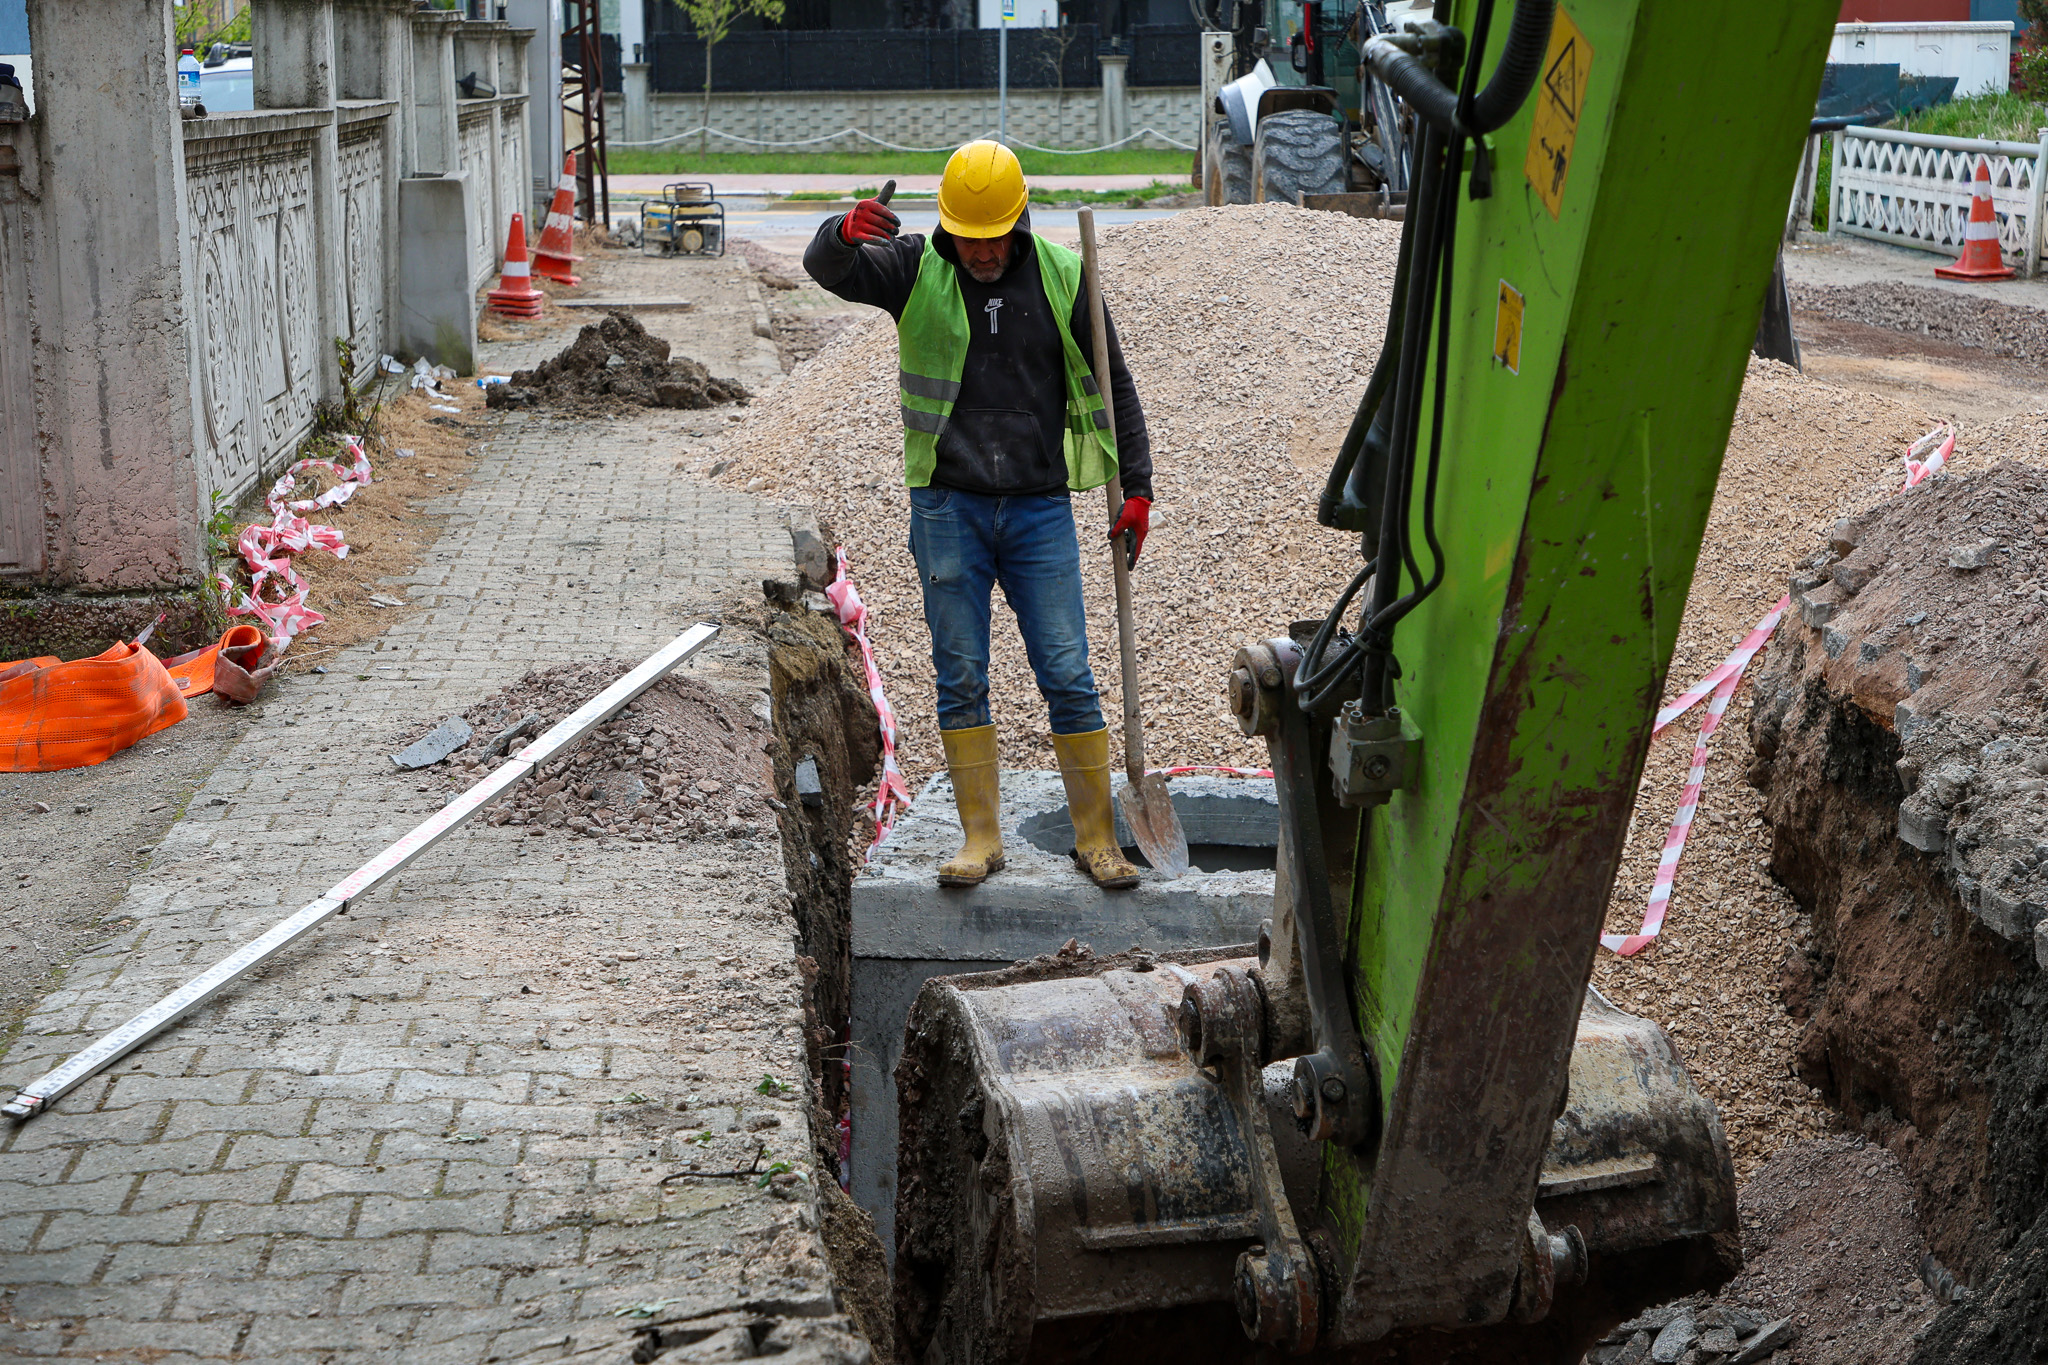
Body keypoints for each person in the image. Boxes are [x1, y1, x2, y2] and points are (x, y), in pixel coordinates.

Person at [803, 140, 1155, 891]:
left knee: (1068, 670)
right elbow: (826, 269)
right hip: (947, 505)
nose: (983, 251)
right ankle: (980, 837)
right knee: (960, 674)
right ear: (947, 226)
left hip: (1039, 509)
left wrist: (1138, 485)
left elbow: (1114, 382)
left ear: (1019, 220)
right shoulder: (914, 267)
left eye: (994, 236)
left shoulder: (1063, 275)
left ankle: (1097, 839)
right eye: (969, 236)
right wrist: (841, 232)